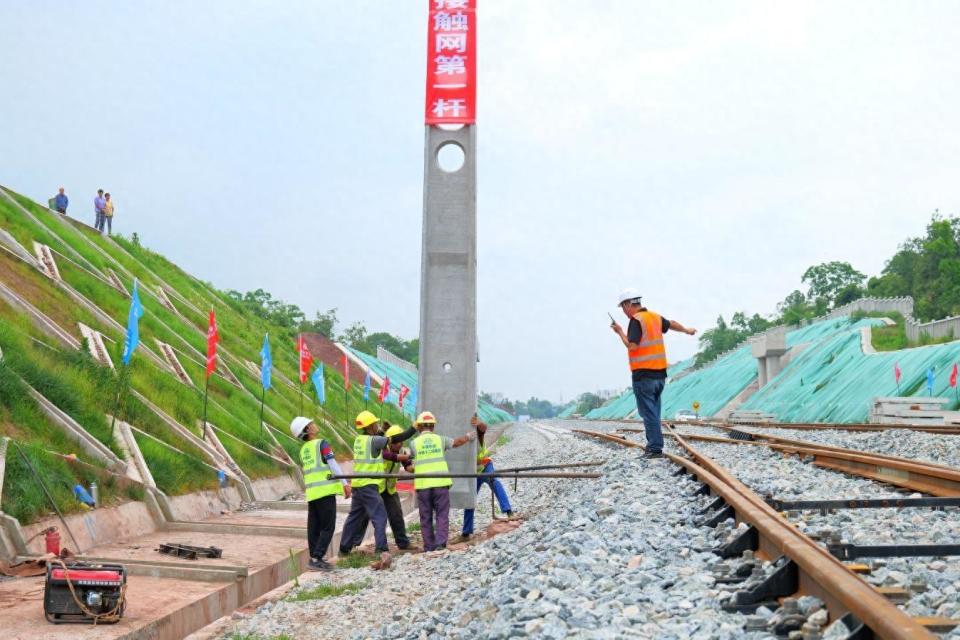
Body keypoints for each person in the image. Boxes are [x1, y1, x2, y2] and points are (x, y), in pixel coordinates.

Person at [610, 288, 696, 459]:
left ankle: (655, 448)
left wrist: (619, 332)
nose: (624, 312)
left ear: (629, 304)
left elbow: (632, 346)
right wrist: (686, 330)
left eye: (623, 307)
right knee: (654, 411)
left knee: (648, 413)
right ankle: (655, 445)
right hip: (660, 375)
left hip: (644, 375)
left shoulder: (636, 320)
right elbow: (671, 323)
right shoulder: (654, 317)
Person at [338, 411, 417, 556]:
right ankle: (381, 548)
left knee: (355, 516)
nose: (376, 425)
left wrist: (382, 431)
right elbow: (393, 443)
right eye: (375, 423)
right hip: (371, 485)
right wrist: (413, 428)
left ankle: (344, 548)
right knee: (379, 517)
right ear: (370, 426)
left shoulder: (359, 440)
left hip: (360, 484)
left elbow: (382, 439)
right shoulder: (376, 442)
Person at [291, 416, 350, 571]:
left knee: (314, 526)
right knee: (328, 526)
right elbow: (332, 464)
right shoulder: (321, 444)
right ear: (307, 430)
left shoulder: (304, 450)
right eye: (311, 424)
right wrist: (345, 483)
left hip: (312, 493)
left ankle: (314, 558)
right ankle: (317, 557)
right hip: (325, 491)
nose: (314, 425)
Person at [409, 411, 475, 551]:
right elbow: (456, 443)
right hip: (440, 484)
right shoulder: (440, 439)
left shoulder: (413, 443)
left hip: (423, 485)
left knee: (425, 516)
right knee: (442, 514)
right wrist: (468, 437)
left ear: (419, 427)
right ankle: (440, 543)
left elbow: (412, 462)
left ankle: (428, 546)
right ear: (433, 427)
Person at [461, 414, 513, 539]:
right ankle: (466, 532)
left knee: (495, 482)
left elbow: (484, 427)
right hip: (475, 472)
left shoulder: (477, 433)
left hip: (485, 466)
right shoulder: (460, 439)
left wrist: (478, 423)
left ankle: (509, 511)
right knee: (470, 499)